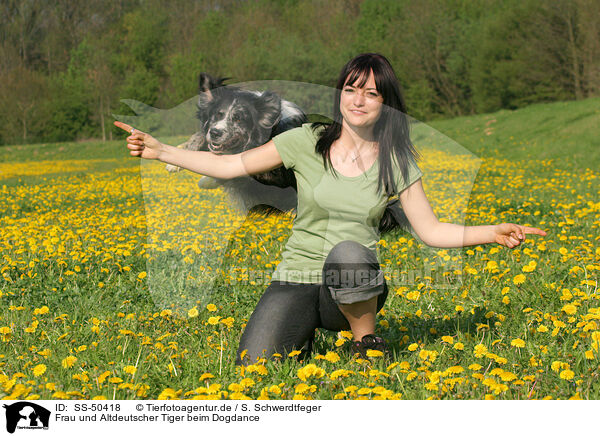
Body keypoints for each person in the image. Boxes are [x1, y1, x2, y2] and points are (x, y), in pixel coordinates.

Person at [114, 53, 547, 365]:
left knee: (348, 252)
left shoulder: (396, 161)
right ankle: (299, 333)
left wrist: (491, 231)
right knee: (255, 363)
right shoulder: (307, 140)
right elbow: (231, 164)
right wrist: (160, 151)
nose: (358, 100)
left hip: (351, 282)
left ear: (385, 104)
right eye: (351, 89)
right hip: (294, 277)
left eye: (371, 93)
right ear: (341, 93)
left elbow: (431, 231)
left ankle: (366, 342)